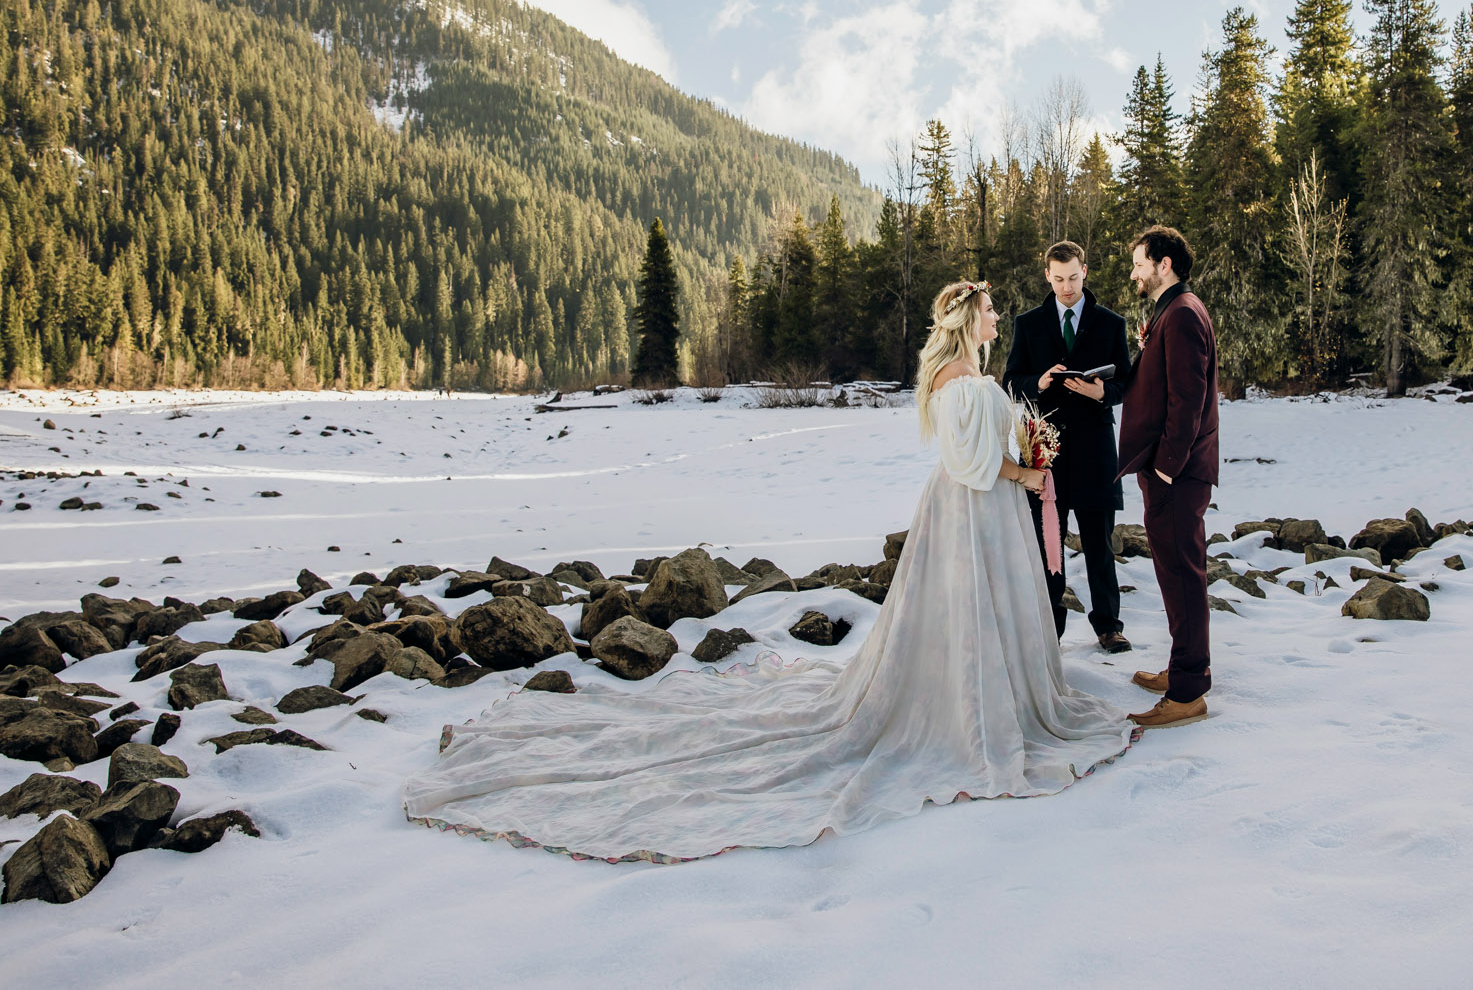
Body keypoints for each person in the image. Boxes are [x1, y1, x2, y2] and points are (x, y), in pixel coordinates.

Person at [402, 281, 1135, 863]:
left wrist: (1032, 450)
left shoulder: (977, 369)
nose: (997, 314)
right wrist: (1021, 469)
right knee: (959, 613)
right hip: (970, 511)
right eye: (988, 307)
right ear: (965, 317)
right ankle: (964, 709)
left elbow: (993, 437)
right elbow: (965, 461)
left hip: (995, 515)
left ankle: (997, 691)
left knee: (987, 614)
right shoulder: (951, 375)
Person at [1002, 240, 1136, 652]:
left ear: (1085, 271)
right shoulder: (1029, 323)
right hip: (1046, 452)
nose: (1066, 287)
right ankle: (1048, 629)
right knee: (1048, 546)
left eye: (1073, 278)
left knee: (1099, 545)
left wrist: (1101, 394)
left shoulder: (1111, 323)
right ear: (1047, 275)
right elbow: (1010, 381)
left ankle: (1109, 626)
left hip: (1096, 451)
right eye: (1058, 279)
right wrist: (1038, 383)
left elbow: (1127, 384)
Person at [1116, 226, 1220, 731]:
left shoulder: (1180, 315)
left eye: (1140, 262)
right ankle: (1184, 668)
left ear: (1164, 264)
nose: (1134, 271)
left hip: (1175, 476)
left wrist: (1164, 468)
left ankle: (1187, 694)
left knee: (1182, 576)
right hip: (1169, 473)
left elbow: (1188, 398)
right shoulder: (1173, 311)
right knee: (1176, 574)